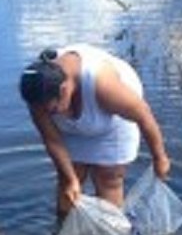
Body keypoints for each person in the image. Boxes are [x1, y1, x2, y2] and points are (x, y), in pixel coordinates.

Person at [19, 44, 170, 217]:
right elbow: (52, 140)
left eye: (53, 110)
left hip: (113, 121)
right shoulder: (37, 94)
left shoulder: (104, 85)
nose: (47, 114)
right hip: (74, 121)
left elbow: (144, 116)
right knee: (69, 180)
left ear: (64, 89)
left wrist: (160, 158)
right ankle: (62, 229)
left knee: (109, 178)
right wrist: (71, 180)